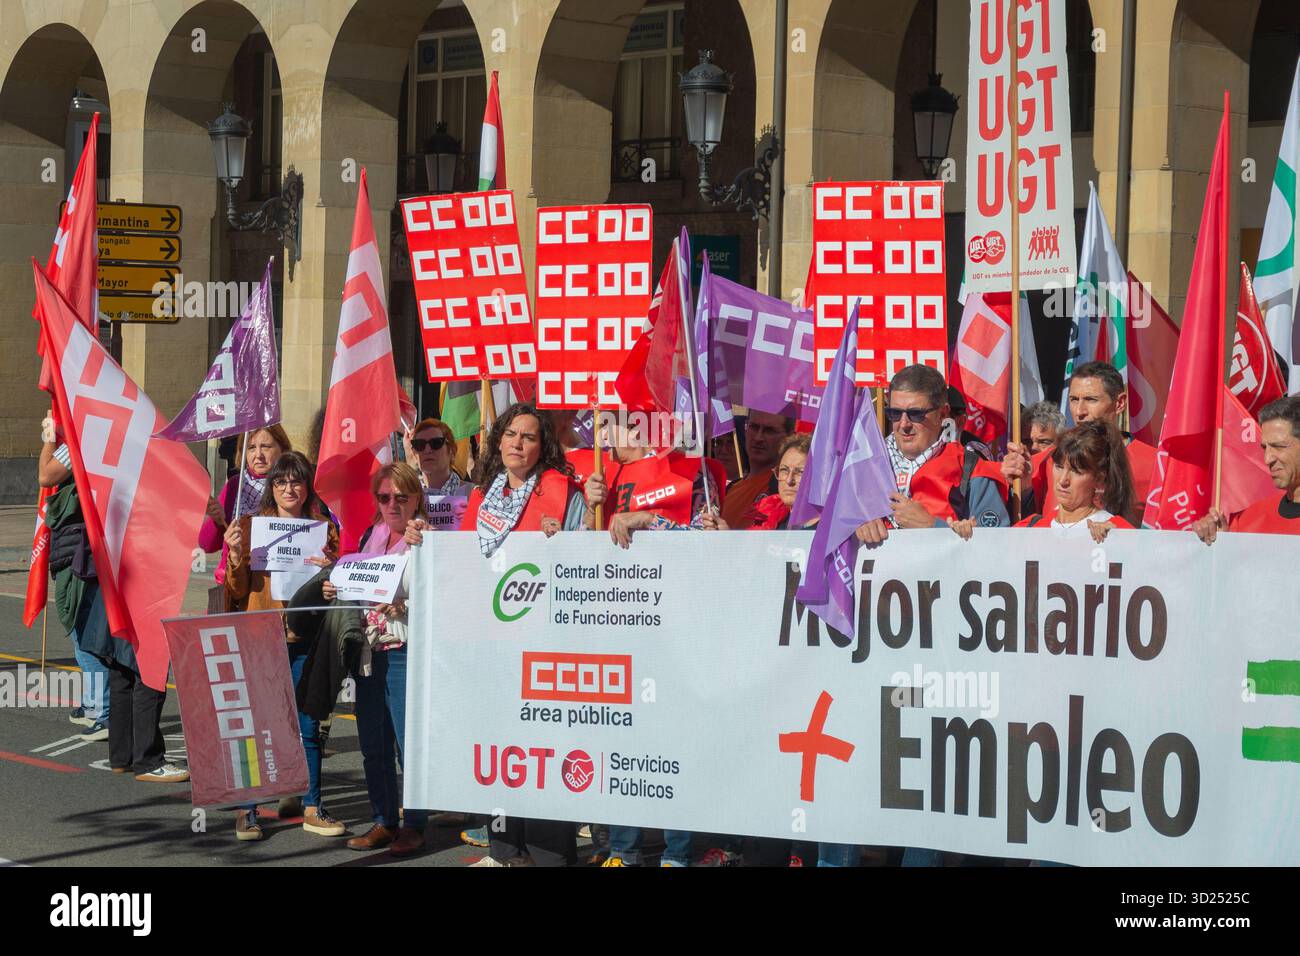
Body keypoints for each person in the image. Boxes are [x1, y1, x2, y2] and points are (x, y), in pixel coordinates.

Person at [406, 403, 583, 866]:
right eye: (510, 434)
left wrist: (564, 539)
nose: (517, 443)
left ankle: (549, 854)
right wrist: (426, 540)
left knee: (542, 755)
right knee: (501, 752)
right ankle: (506, 850)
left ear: (542, 445)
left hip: (545, 643)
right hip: (491, 645)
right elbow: (463, 560)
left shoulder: (565, 491)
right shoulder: (484, 496)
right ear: (499, 440)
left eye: (528, 436)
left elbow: (588, 558)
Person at [40, 426, 188, 782]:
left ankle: (122, 753)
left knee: (123, 662)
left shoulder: (101, 445)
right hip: (133, 568)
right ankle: (149, 760)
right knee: (148, 665)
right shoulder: (98, 443)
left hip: (113, 567)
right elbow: (47, 475)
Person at [224, 451, 345, 841]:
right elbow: (237, 591)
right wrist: (235, 554)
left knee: (306, 724)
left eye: (296, 481)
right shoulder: (250, 526)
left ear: (307, 486)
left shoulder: (324, 529)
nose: (289, 489)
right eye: (280, 482)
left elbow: (336, 590)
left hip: (307, 636)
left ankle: (311, 805)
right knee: (257, 725)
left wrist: (332, 569)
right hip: (261, 636)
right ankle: (247, 810)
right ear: (270, 488)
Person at [319, 462, 430, 856]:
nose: (393, 504)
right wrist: (335, 587)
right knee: (373, 744)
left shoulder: (425, 539)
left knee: (408, 743)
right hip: (368, 654)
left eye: (402, 496)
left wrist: (409, 606)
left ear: (417, 498)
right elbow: (357, 585)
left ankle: (415, 824)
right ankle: (384, 820)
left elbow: (441, 596)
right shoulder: (371, 535)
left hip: (404, 652)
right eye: (384, 497)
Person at [855, 364, 1011, 547]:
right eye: (895, 413)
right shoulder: (862, 465)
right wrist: (854, 525)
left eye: (916, 414)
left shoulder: (971, 469)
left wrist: (932, 526)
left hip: (944, 575)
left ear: (943, 414)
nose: (903, 424)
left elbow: (997, 548)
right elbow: (824, 531)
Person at [1001, 361, 1156, 524]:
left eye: (1091, 399)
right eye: (1074, 400)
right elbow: (1026, 527)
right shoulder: (1046, 460)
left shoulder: (1155, 466)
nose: (1080, 411)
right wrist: (1023, 488)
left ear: (1119, 403)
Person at [949, 420, 1134, 542]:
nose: (1063, 480)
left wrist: (1118, 547)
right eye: (1059, 467)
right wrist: (968, 539)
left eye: (1077, 471)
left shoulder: (1118, 532)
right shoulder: (1029, 528)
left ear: (1099, 479)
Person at [577, 418, 726, 547]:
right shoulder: (602, 475)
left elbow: (705, 544)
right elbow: (580, 549)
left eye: (606, 424)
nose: (599, 433)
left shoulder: (691, 471)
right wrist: (591, 511)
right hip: (614, 575)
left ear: (634, 430)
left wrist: (647, 520)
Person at [1193, 394, 1300, 541]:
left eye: (1279, 446)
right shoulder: (1246, 521)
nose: (1267, 459)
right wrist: (1221, 544)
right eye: (1265, 448)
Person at [198, 426, 291, 589]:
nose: (258, 455)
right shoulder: (235, 485)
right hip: (233, 586)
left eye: (266, 447)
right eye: (251, 448)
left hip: (276, 589)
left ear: (282, 449)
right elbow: (206, 544)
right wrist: (216, 520)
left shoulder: (294, 486)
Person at [703, 432, 809, 531]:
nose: (789, 480)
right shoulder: (768, 514)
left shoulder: (824, 528)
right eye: (784, 470)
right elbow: (750, 550)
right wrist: (725, 538)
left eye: (800, 472)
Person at [720, 411, 794, 529]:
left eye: (769, 430)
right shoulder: (729, 489)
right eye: (754, 427)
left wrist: (728, 540)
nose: (758, 437)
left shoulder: (788, 490)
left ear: (789, 437)